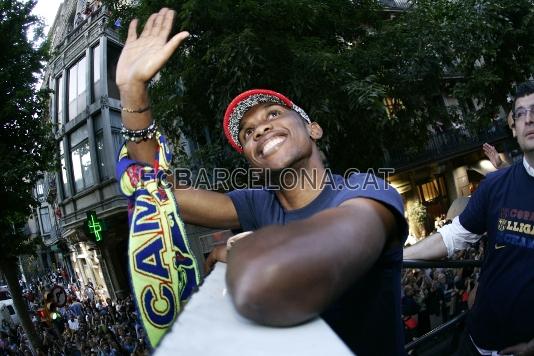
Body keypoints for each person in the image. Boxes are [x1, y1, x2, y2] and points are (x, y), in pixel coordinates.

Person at [116, 8, 408, 355]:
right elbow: (156, 191)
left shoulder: (368, 190)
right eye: (248, 132)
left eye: (273, 114)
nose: (261, 129)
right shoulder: (257, 203)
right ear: (252, 162)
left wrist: (242, 253)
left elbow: (301, 262)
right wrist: (133, 93)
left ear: (313, 128)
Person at [404, 80, 534, 355]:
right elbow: (453, 236)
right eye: (520, 113)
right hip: (474, 340)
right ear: (513, 127)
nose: (529, 119)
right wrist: (397, 257)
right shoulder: (495, 185)